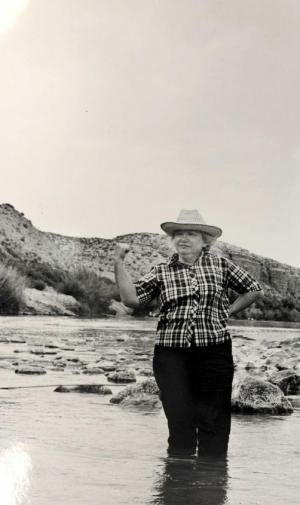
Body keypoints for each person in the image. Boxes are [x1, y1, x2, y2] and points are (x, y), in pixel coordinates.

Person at [114, 209, 263, 457]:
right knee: (179, 425)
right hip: (171, 356)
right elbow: (130, 300)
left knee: (214, 424)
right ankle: (178, 488)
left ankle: (211, 487)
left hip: (214, 352)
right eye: (178, 233)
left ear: (205, 240)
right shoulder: (161, 271)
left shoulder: (221, 265)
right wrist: (119, 263)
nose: (183, 238)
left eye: (191, 233)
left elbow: (254, 290)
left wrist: (228, 311)